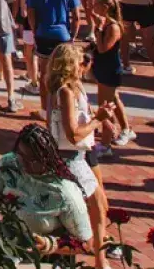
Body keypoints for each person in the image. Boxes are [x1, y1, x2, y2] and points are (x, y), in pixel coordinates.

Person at [46, 43, 113, 269]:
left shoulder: (71, 88)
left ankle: (96, 257)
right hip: (70, 158)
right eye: (79, 61)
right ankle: (98, 260)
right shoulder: (64, 91)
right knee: (94, 208)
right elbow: (73, 134)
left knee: (97, 206)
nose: (83, 64)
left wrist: (99, 118)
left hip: (76, 157)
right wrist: (97, 120)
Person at [0, 125, 92, 253]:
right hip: (4, 247)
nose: (23, 164)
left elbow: (85, 243)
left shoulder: (65, 192)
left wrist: (50, 245)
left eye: (32, 160)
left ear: (46, 158)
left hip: (40, 257)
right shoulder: (8, 164)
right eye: (20, 156)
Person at [26, 0, 82, 106]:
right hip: (62, 34)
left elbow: (30, 12)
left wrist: (34, 30)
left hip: (43, 32)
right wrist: (73, 37)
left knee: (45, 73)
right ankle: (68, 105)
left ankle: (46, 107)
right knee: (66, 73)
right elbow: (77, 16)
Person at [90, 0, 135, 147]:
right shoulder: (107, 24)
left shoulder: (113, 27)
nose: (93, 7)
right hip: (103, 67)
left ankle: (106, 142)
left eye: (96, 4)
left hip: (110, 69)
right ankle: (125, 129)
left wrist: (99, 29)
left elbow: (103, 48)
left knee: (105, 105)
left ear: (105, 7)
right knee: (114, 99)